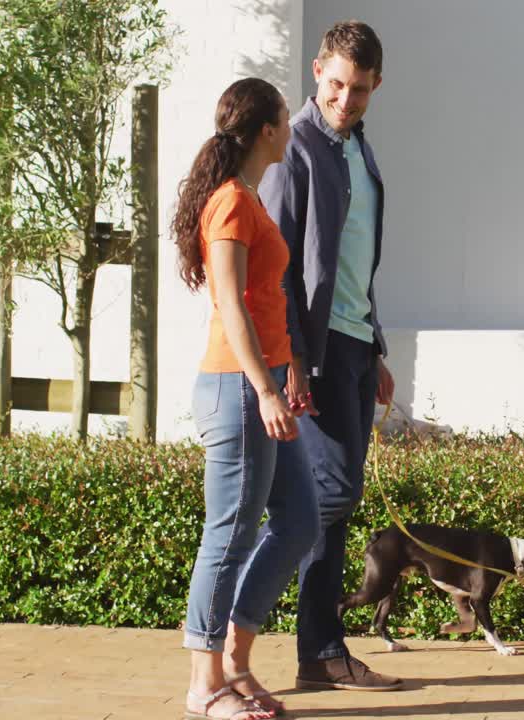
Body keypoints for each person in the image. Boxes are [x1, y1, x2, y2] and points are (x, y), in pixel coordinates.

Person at [259, 20, 402, 692]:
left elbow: (354, 267)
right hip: (310, 353)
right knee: (330, 493)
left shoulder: (360, 151)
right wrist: (289, 360)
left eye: (362, 90)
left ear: (376, 87)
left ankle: (321, 653)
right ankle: (238, 605)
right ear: (317, 71)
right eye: (338, 85)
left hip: (352, 343)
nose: (347, 99)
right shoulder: (296, 151)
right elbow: (280, 268)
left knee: (339, 502)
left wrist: (373, 346)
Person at [173, 77, 317, 719]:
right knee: (229, 534)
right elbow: (230, 303)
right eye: (285, 118)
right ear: (266, 131)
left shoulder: (248, 198)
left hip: (263, 384)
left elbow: (266, 302)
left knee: (299, 521)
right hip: (237, 389)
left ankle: (236, 659)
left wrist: (287, 375)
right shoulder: (230, 202)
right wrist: (263, 387)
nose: (291, 127)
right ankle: (204, 685)